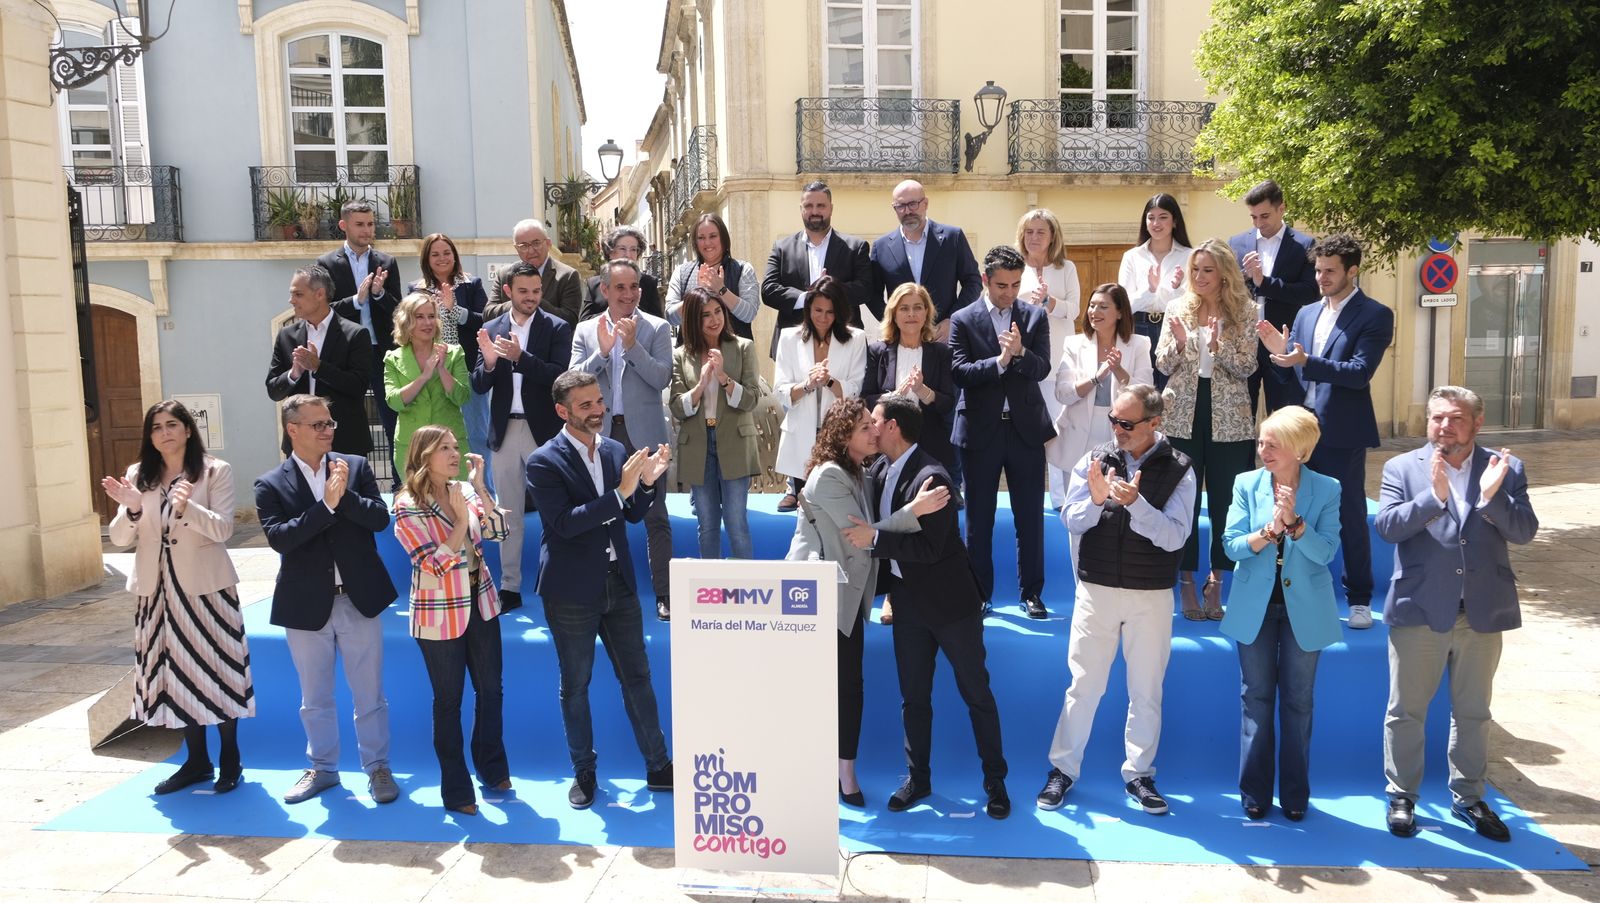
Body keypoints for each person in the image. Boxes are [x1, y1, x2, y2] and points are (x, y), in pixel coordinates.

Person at [1375, 386, 1538, 842]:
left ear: (1477, 422)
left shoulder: (1506, 469)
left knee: (1473, 712)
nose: (1444, 427)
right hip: (1420, 607)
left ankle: (1469, 796)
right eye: (1437, 419)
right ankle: (1402, 795)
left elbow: (1524, 531)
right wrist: (1434, 496)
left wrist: (1492, 498)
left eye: (1455, 418)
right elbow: (1387, 527)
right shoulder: (1402, 467)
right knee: (1405, 711)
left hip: (1482, 611)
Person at [842, 394, 1009, 819]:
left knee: (977, 694)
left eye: (874, 421)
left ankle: (995, 782)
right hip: (908, 606)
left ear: (893, 426)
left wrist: (876, 539)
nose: (870, 427)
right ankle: (918, 778)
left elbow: (931, 547)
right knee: (913, 698)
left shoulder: (933, 478)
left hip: (952, 607)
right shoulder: (876, 470)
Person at [1037, 384, 1195, 817]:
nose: (1117, 430)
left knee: (1146, 691)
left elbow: (1174, 537)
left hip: (1151, 596)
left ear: (1154, 423)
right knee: (1083, 686)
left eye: (1127, 423)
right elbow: (1071, 519)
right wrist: (1097, 499)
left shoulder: (1181, 468)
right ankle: (1062, 771)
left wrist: (1137, 505)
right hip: (1097, 589)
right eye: (1113, 420)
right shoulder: (1094, 460)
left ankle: (1140, 775)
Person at [526, 369, 675, 810]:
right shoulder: (543, 461)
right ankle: (585, 773)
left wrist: (646, 484)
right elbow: (565, 524)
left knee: (639, 679)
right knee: (576, 685)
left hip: (619, 584)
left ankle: (659, 766)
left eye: (599, 401)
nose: (597, 411)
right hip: (570, 591)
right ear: (562, 411)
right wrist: (622, 492)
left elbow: (630, 515)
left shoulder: (613, 450)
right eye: (586, 405)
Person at [785, 397, 938, 808]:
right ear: (843, 436)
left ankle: (842, 771)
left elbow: (865, 539)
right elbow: (861, 538)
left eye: (874, 423)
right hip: (818, 598)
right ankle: (832, 774)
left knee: (848, 687)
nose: (875, 432)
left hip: (846, 597)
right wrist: (915, 511)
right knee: (832, 689)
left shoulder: (859, 470)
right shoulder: (831, 475)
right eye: (865, 428)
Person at [101, 401, 255, 795]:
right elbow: (119, 538)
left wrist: (190, 507)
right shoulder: (140, 474)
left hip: (206, 588)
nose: (164, 432)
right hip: (157, 591)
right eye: (156, 427)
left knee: (218, 670)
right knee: (175, 674)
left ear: (188, 429)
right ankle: (197, 761)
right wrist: (132, 507)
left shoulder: (215, 471)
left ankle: (231, 758)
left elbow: (222, 530)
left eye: (172, 424)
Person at [254, 395, 399, 805]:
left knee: (369, 695)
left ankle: (378, 769)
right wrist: (326, 506)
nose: (327, 429)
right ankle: (323, 769)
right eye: (317, 424)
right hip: (305, 605)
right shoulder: (270, 483)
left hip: (358, 599)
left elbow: (378, 518)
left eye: (330, 422)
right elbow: (280, 538)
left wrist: (344, 496)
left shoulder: (355, 467)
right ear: (293, 430)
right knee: (314, 698)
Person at [1258, 233, 1395, 629]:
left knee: (1349, 513)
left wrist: (1306, 360)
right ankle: (1291, 591)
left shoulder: (1375, 315)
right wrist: (1281, 356)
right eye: (1318, 270)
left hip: (1342, 432)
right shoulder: (1305, 314)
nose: (1321, 277)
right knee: (1289, 507)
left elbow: (1359, 373)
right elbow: (1296, 369)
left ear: (1352, 271)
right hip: (1298, 431)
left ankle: (1359, 598)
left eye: (1330, 271)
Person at [1219, 406, 1343, 822]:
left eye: (1273, 443)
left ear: (1300, 450)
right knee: (1254, 699)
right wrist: (1269, 531)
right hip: (1255, 607)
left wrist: (1296, 526)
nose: (1263, 449)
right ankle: (1253, 794)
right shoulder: (1245, 484)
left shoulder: (1326, 489)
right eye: (1261, 441)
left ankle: (1294, 795)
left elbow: (1326, 553)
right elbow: (1231, 546)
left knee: (1298, 702)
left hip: (1303, 610)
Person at [391, 426, 511, 817]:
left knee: (491, 690)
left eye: (457, 446)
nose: (455, 453)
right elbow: (432, 564)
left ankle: (492, 769)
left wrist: (481, 486)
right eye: (445, 448)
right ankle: (456, 789)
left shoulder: (466, 489)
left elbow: (499, 531)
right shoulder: (407, 503)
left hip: (481, 603)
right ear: (423, 454)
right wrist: (460, 523)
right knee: (449, 701)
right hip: (438, 613)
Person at [1155, 239, 1259, 621]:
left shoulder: (1247, 311)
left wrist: (1217, 348)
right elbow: (1162, 363)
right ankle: (1185, 581)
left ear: (1224, 275)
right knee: (1183, 500)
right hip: (1181, 414)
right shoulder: (1176, 308)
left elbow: (1248, 366)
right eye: (1196, 269)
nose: (1199, 277)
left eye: (1208, 270)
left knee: (1225, 503)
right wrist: (1183, 345)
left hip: (1229, 418)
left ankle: (1216, 580)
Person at [949, 246, 1053, 619]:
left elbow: (1042, 369)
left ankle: (1032, 594)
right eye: (1002, 285)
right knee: (980, 519)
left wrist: (1022, 354)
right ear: (984, 281)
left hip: (1024, 431)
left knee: (1030, 518)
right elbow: (959, 372)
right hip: (979, 431)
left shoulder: (1035, 316)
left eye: (1015, 284)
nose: (1009, 292)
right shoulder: (963, 319)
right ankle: (978, 594)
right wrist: (1000, 361)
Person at [571, 258, 676, 620]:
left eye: (634, 288)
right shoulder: (586, 330)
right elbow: (572, 381)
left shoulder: (658, 328)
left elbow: (662, 378)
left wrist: (632, 347)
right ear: (605, 291)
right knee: (598, 514)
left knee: (656, 518)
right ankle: (597, 593)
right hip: (598, 437)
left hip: (644, 438)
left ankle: (664, 595)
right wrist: (602, 353)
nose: (628, 295)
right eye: (620, 288)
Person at [471, 260, 572, 612]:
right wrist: (487, 363)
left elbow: (560, 377)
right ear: (509, 291)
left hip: (542, 431)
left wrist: (521, 358)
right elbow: (478, 384)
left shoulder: (557, 327)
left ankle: (557, 580)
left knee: (553, 510)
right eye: (524, 291)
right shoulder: (492, 326)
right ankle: (510, 586)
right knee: (507, 511)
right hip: (504, 430)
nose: (531, 298)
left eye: (536, 291)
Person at [1046, 284, 1154, 519]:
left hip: (1119, 435)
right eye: (1092, 306)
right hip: (1076, 437)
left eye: (1103, 306)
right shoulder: (1073, 344)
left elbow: (1147, 393)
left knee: (1115, 514)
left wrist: (1119, 371)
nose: (1095, 311)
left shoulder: (1139, 344)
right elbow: (1063, 393)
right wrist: (1096, 377)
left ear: (1120, 312)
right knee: (1077, 514)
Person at [670, 287, 763, 560]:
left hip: (734, 442)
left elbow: (752, 399)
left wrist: (723, 377)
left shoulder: (743, 347)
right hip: (698, 444)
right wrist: (699, 386)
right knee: (707, 526)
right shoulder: (680, 356)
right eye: (705, 315)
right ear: (692, 321)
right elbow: (677, 406)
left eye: (718, 311)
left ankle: (745, 591)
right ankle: (709, 592)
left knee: (737, 524)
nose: (714, 320)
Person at [773, 276, 868, 512]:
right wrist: (807, 384)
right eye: (818, 310)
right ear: (808, 308)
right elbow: (781, 391)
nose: (823, 317)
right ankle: (792, 491)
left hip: (838, 434)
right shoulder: (787, 338)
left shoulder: (856, 339)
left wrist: (828, 381)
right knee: (804, 511)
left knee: (834, 505)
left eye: (830, 312)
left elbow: (856, 390)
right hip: (800, 436)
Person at [1227, 180, 1317, 417]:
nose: (1259, 223)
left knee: (1283, 417)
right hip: (1243, 344)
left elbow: (1310, 293)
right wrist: (1245, 276)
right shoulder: (1236, 243)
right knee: (1241, 419)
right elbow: (1227, 289)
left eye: (1264, 216)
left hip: (1282, 343)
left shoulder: (1304, 245)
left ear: (1282, 208)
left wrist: (1264, 283)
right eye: (1253, 217)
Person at [266, 265, 374, 458]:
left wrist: (318, 367)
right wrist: (294, 373)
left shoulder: (355, 334)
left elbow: (358, 386)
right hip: (299, 446)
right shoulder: (286, 335)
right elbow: (273, 390)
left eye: (298, 294)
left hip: (344, 444)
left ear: (320, 294)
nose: (291, 301)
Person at [323, 201, 403, 449]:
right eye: (360, 224)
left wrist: (379, 295)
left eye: (370, 224)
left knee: (393, 421)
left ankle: (399, 482)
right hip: (345, 353)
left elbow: (399, 310)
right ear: (343, 225)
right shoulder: (327, 263)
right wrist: (357, 301)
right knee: (345, 421)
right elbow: (324, 310)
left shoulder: (386, 262)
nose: (367, 230)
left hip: (382, 351)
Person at [1015, 208, 1082, 509]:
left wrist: (1048, 301)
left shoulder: (1065, 267)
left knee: (1057, 430)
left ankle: (1060, 498)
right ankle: (1028, 496)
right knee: (1026, 432)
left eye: (1041, 231)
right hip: (1024, 362)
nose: (1034, 237)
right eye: (1029, 232)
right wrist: (1026, 304)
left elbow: (1075, 310)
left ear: (1052, 235)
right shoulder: (1015, 268)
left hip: (1058, 362)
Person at [762, 180, 873, 355]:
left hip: (843, 342)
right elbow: (768, 290)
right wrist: (807, 298)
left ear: (831, 208)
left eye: (821, 205)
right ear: (801, 209)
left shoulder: (855, 247)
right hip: (794, 344)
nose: (814, 211)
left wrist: (829, 293)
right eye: (809, 206)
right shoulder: (782, 248)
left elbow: (866, 289)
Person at [410, 233, 490, 470]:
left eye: (447, 253)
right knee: (436, 436)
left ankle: (482, 491)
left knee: (475, 433)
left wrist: (454, 310)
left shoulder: (471, 284)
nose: (442, 258)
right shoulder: (416, 289)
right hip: (432, 371)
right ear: (426, 259)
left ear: (455, 257)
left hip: (466, 370)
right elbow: (409, 326)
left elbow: (484, 320)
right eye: (435, 254)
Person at [862, 282, 958, 471]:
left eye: (917, 308)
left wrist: (923, 391)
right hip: (886, 447)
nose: (911, 314)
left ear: (926, 313)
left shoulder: (942, 353)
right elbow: (866, 399)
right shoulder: (877, 351)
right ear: (894, 315)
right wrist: (894, 396)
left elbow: (948, 404)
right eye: (904, 308)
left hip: (931, 447)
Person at [870, 179, 982, 337]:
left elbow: (973, 282)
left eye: (913, 204)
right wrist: (893, 323)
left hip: (943, 338)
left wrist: (953, 319)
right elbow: (872, 294)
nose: (907, 211)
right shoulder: (881, 247)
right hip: (901, 342)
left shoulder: (953, 238)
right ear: (894, 208)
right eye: (901, 206)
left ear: (925, 203)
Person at [384, 293, 471, 481]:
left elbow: (462, 397)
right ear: (406, 321)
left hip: (450, 446)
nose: (427, 323)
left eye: (431, 316)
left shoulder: (454, 353)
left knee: (455, 505)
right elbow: (394, 402)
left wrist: (441, 369)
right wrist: (424, 377)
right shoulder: (392, 358)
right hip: (411, 447)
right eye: (419, 317)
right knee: (417, 506)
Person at [1116, 194, 1193, 391]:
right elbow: (1124, 305)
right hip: (1138, 327)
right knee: (1140, 391)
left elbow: (1191, 303)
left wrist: (1175, 290)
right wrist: (1149, 290)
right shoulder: (1132, 257)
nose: (1156, 223)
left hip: (1174, 328)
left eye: (1163, 217)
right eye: (1151, 217)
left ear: (1175, 221)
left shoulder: (1189, 256)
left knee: (1172, 391)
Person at [664, 213, 760, 340]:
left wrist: (721, 290)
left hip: (734, 354)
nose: (707, 242)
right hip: (693, 354)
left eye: (713, 236)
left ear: (723, 239)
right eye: (701, 238)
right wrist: (698, 293)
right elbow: (670, 317)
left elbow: (749, 314)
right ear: (695, 242)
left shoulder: (743, 269)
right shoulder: (682, 272)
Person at [486, 219, 583, 326]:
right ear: (516, 248)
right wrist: (517, 303)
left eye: (536, 243)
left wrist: (535, 301)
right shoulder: (504, 274)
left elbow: (570, 320)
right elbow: (488, 314)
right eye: (524, 246)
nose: (531, 251)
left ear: (548, 243)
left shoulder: (567, 276)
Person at [582, 225, 663, 320]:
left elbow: (658, 322)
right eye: (622, 249)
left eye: (633, 249)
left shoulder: (649, 283)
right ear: (610, 252)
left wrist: (635, 308)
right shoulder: (594, 284)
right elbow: (584, 321)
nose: (628, 255)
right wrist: (615, 310)